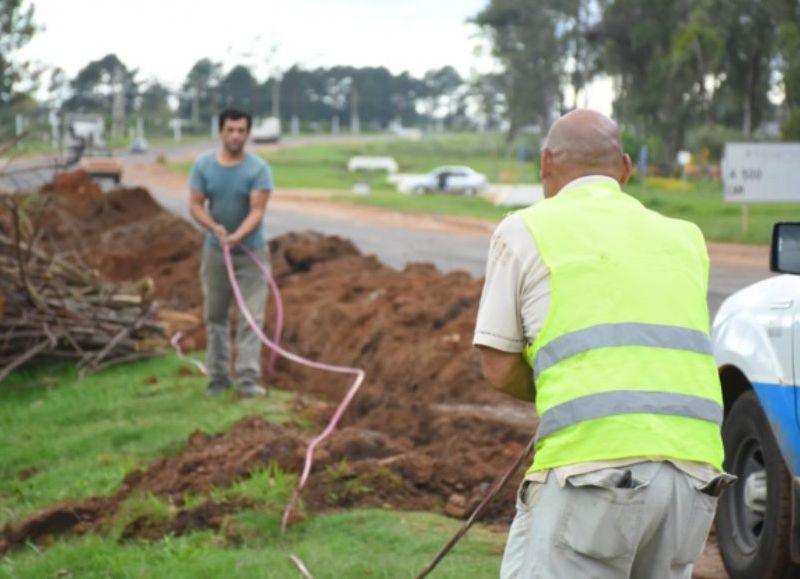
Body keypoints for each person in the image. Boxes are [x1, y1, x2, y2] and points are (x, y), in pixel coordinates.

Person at [473, 109, 733, 579]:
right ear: (627, 168)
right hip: (694, 476)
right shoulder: (686, 239)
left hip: (592, 474)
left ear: (545, 165)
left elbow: (497, 363)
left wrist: (563, 390)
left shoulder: (525, 229)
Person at [189, 107, 273, 398]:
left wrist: (238, 235)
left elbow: (257, 211)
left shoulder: (258, 169)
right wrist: (214, 228)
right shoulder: (203, 166)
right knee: (216, 315)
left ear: (248, 134)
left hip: (251, 252)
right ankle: (218, 378)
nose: (236, 136)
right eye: (230, 130)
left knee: (252, 316)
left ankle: (248, 378)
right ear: (221, 132)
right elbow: (196, 204)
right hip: (216, 252)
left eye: (241, 131)